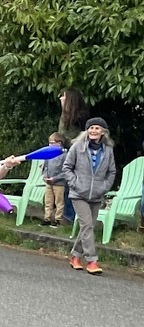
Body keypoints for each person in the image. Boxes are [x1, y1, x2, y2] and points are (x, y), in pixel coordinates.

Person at [63, 118, 116, 275]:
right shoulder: (77, 147)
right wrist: (75, 184)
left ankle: (75, 256)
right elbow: (67, 167)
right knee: (86, 225)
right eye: (91, 128)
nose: (93, 130)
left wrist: (104, 187)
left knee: (88, 227)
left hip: (97, 195)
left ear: (103, 132)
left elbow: (112, 171)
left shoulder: (108, 150)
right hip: (78, 194)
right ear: (86, 131)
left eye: (97, 128)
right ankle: (92, 260)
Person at [57, 87, 89, 223]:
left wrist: (74, 142)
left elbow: (87, 134)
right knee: (66, 185)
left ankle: (73, 217)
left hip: (79, 155)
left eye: (63, 96)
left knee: (74, 185)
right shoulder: (64, 116)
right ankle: (67, 216)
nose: (61, 98)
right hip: (66, 154)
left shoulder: (81, 116)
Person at [42, 133, 68, 228]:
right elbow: (45, 167)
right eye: (49, 143)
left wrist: (55, 178)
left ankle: (58, 219)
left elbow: (66, 171)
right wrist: (45, 177)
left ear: (60, 143)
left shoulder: (64, 155)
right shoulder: (48, 154)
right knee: (48, 201)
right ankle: (47, 218)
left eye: (52, 143)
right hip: (48, 182)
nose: (50, 145)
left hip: (59, 183)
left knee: (59, 202)